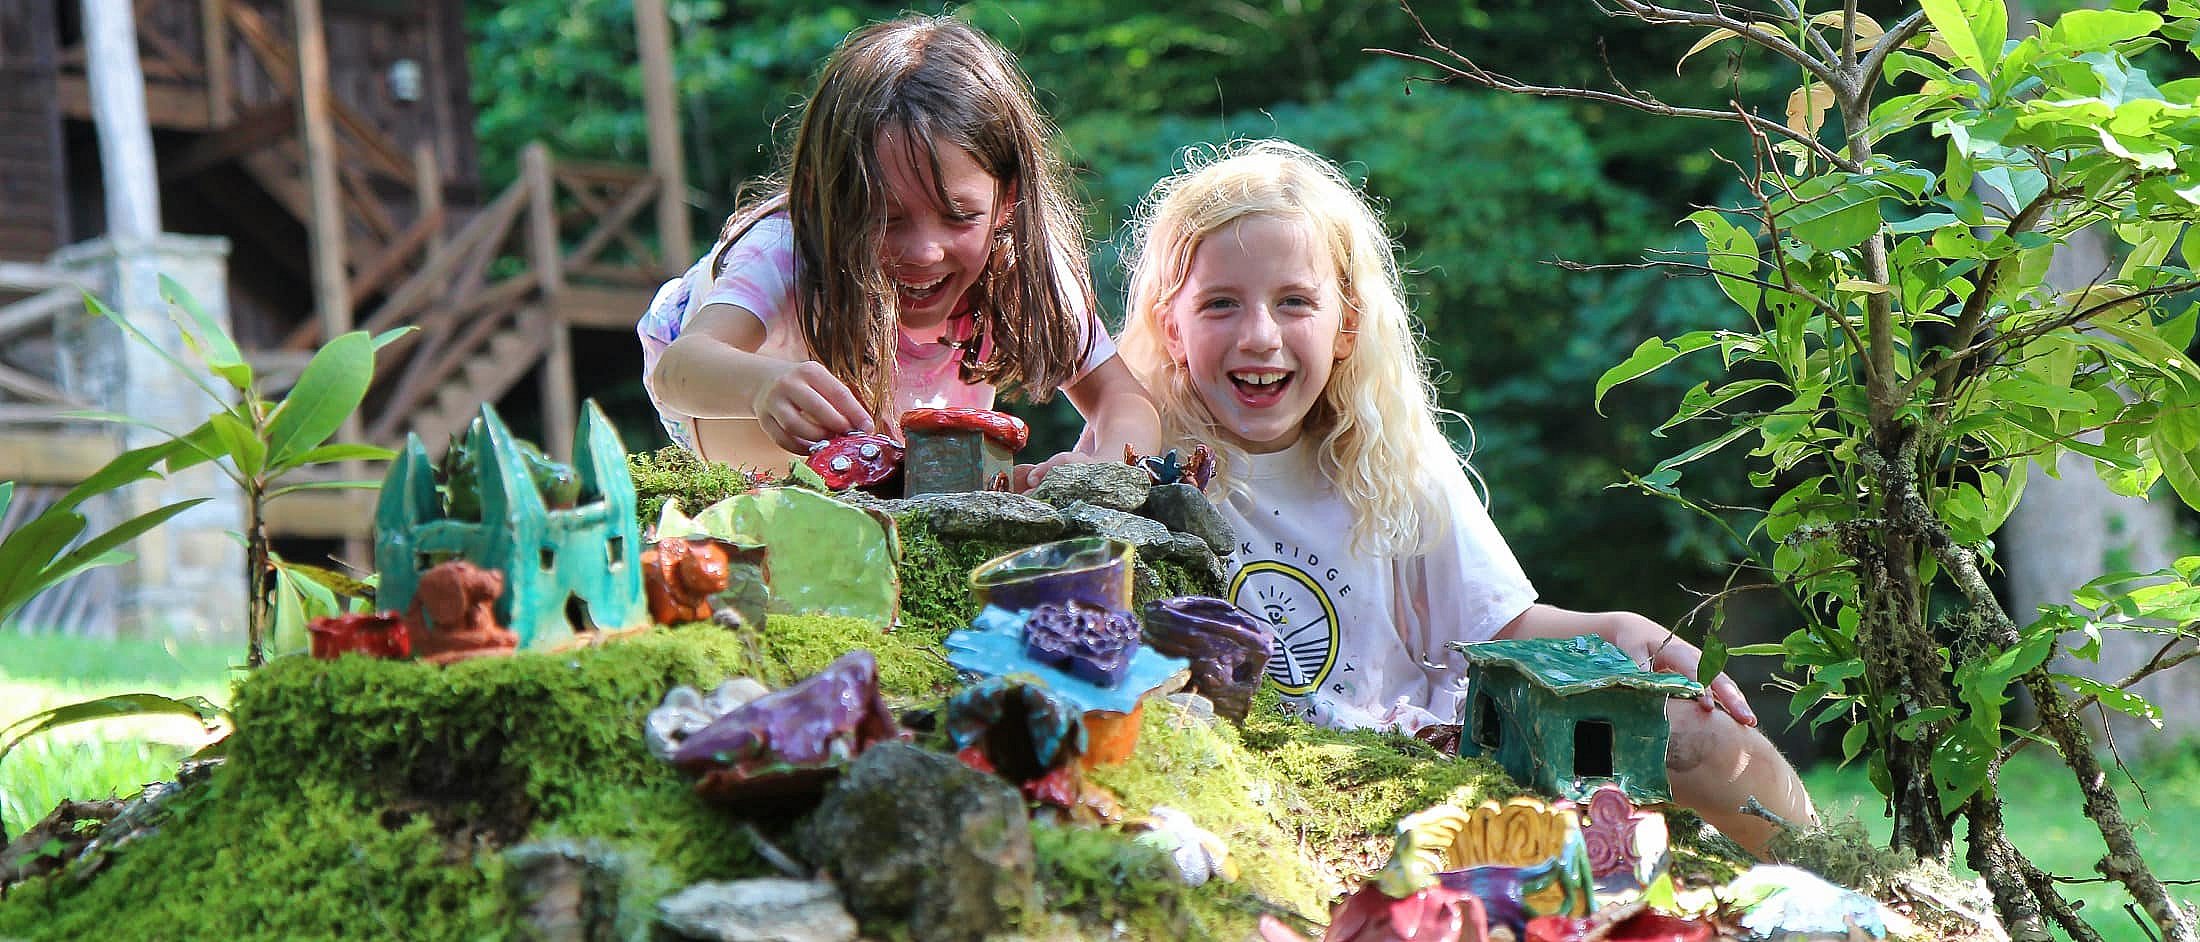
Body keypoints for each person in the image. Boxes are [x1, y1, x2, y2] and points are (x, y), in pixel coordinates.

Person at [1115, 139, 1814, 854]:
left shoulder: (1389, 458)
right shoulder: (1141, 467)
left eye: (1295, 302)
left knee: (1703, 732)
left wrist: (1616, 627)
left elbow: (1495, 629)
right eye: (1220, 304)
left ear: (1347, 325)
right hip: (1257, 792)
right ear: (1172, 326)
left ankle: (1843, 900)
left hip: (1428, 762)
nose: (1259, 336)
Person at [640, 15, 1157, 483]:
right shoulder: (788, 248)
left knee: (934, 485)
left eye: (959, 216)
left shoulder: (1020, 265)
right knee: (795, 496)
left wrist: (1097, 476)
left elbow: (1125, 400)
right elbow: (680, 370)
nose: (925, 251)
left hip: (910, 406)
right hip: (750, 402)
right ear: (830, 200)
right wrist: (762, 384)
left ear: (1008, 201)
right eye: (885, 218)